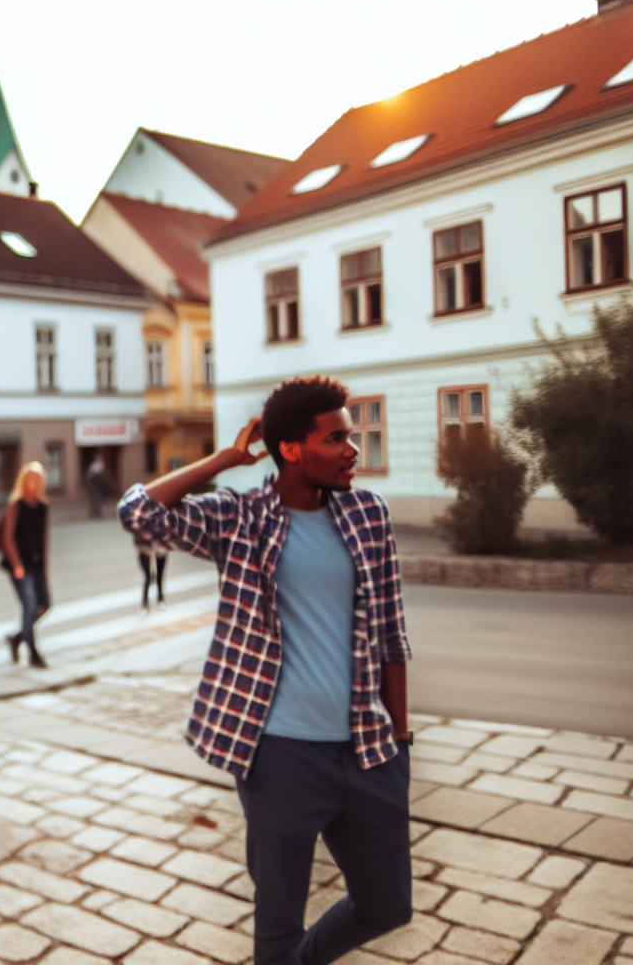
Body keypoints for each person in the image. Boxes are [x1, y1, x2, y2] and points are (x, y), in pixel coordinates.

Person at [118, 376, 414, 965]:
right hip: (279, 752)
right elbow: (140, 514)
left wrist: (401, 742)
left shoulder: (367, 514)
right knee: (278, 924)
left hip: (366, 747)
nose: (353, 450)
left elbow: (391, 635)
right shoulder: (240, 518)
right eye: (336, 439)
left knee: (387, 905)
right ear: (291, 449)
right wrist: (226, 458)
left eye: (350, 437)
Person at [0, 462, 51, 668]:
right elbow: (7, 538)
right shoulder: (16, 505)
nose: (35, 483)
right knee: (29, 607)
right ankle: (33, 653)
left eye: (38, 479)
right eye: (31, 479)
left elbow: (44, 538)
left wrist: (46, 565)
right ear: (24, 481)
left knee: (44, 605)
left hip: (37, 564)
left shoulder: (43, 506)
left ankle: (16, 638)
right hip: (20, 565)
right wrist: (17, 565)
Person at [137, 535, 167, 612]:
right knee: (147, 577)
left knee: (159, 576)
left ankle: (160, 598)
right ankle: (145, 603)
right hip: (145, 547)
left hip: (160, 546)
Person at [86, 451, 108, 518]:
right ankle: (94, 513)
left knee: (97, 498)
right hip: (93, 482)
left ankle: (97, 513)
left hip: (97, 482)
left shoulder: (101, 464)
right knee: (94, 498)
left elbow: (100, 473)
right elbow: (90, 473)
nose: (99, 458)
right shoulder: (95, 464)